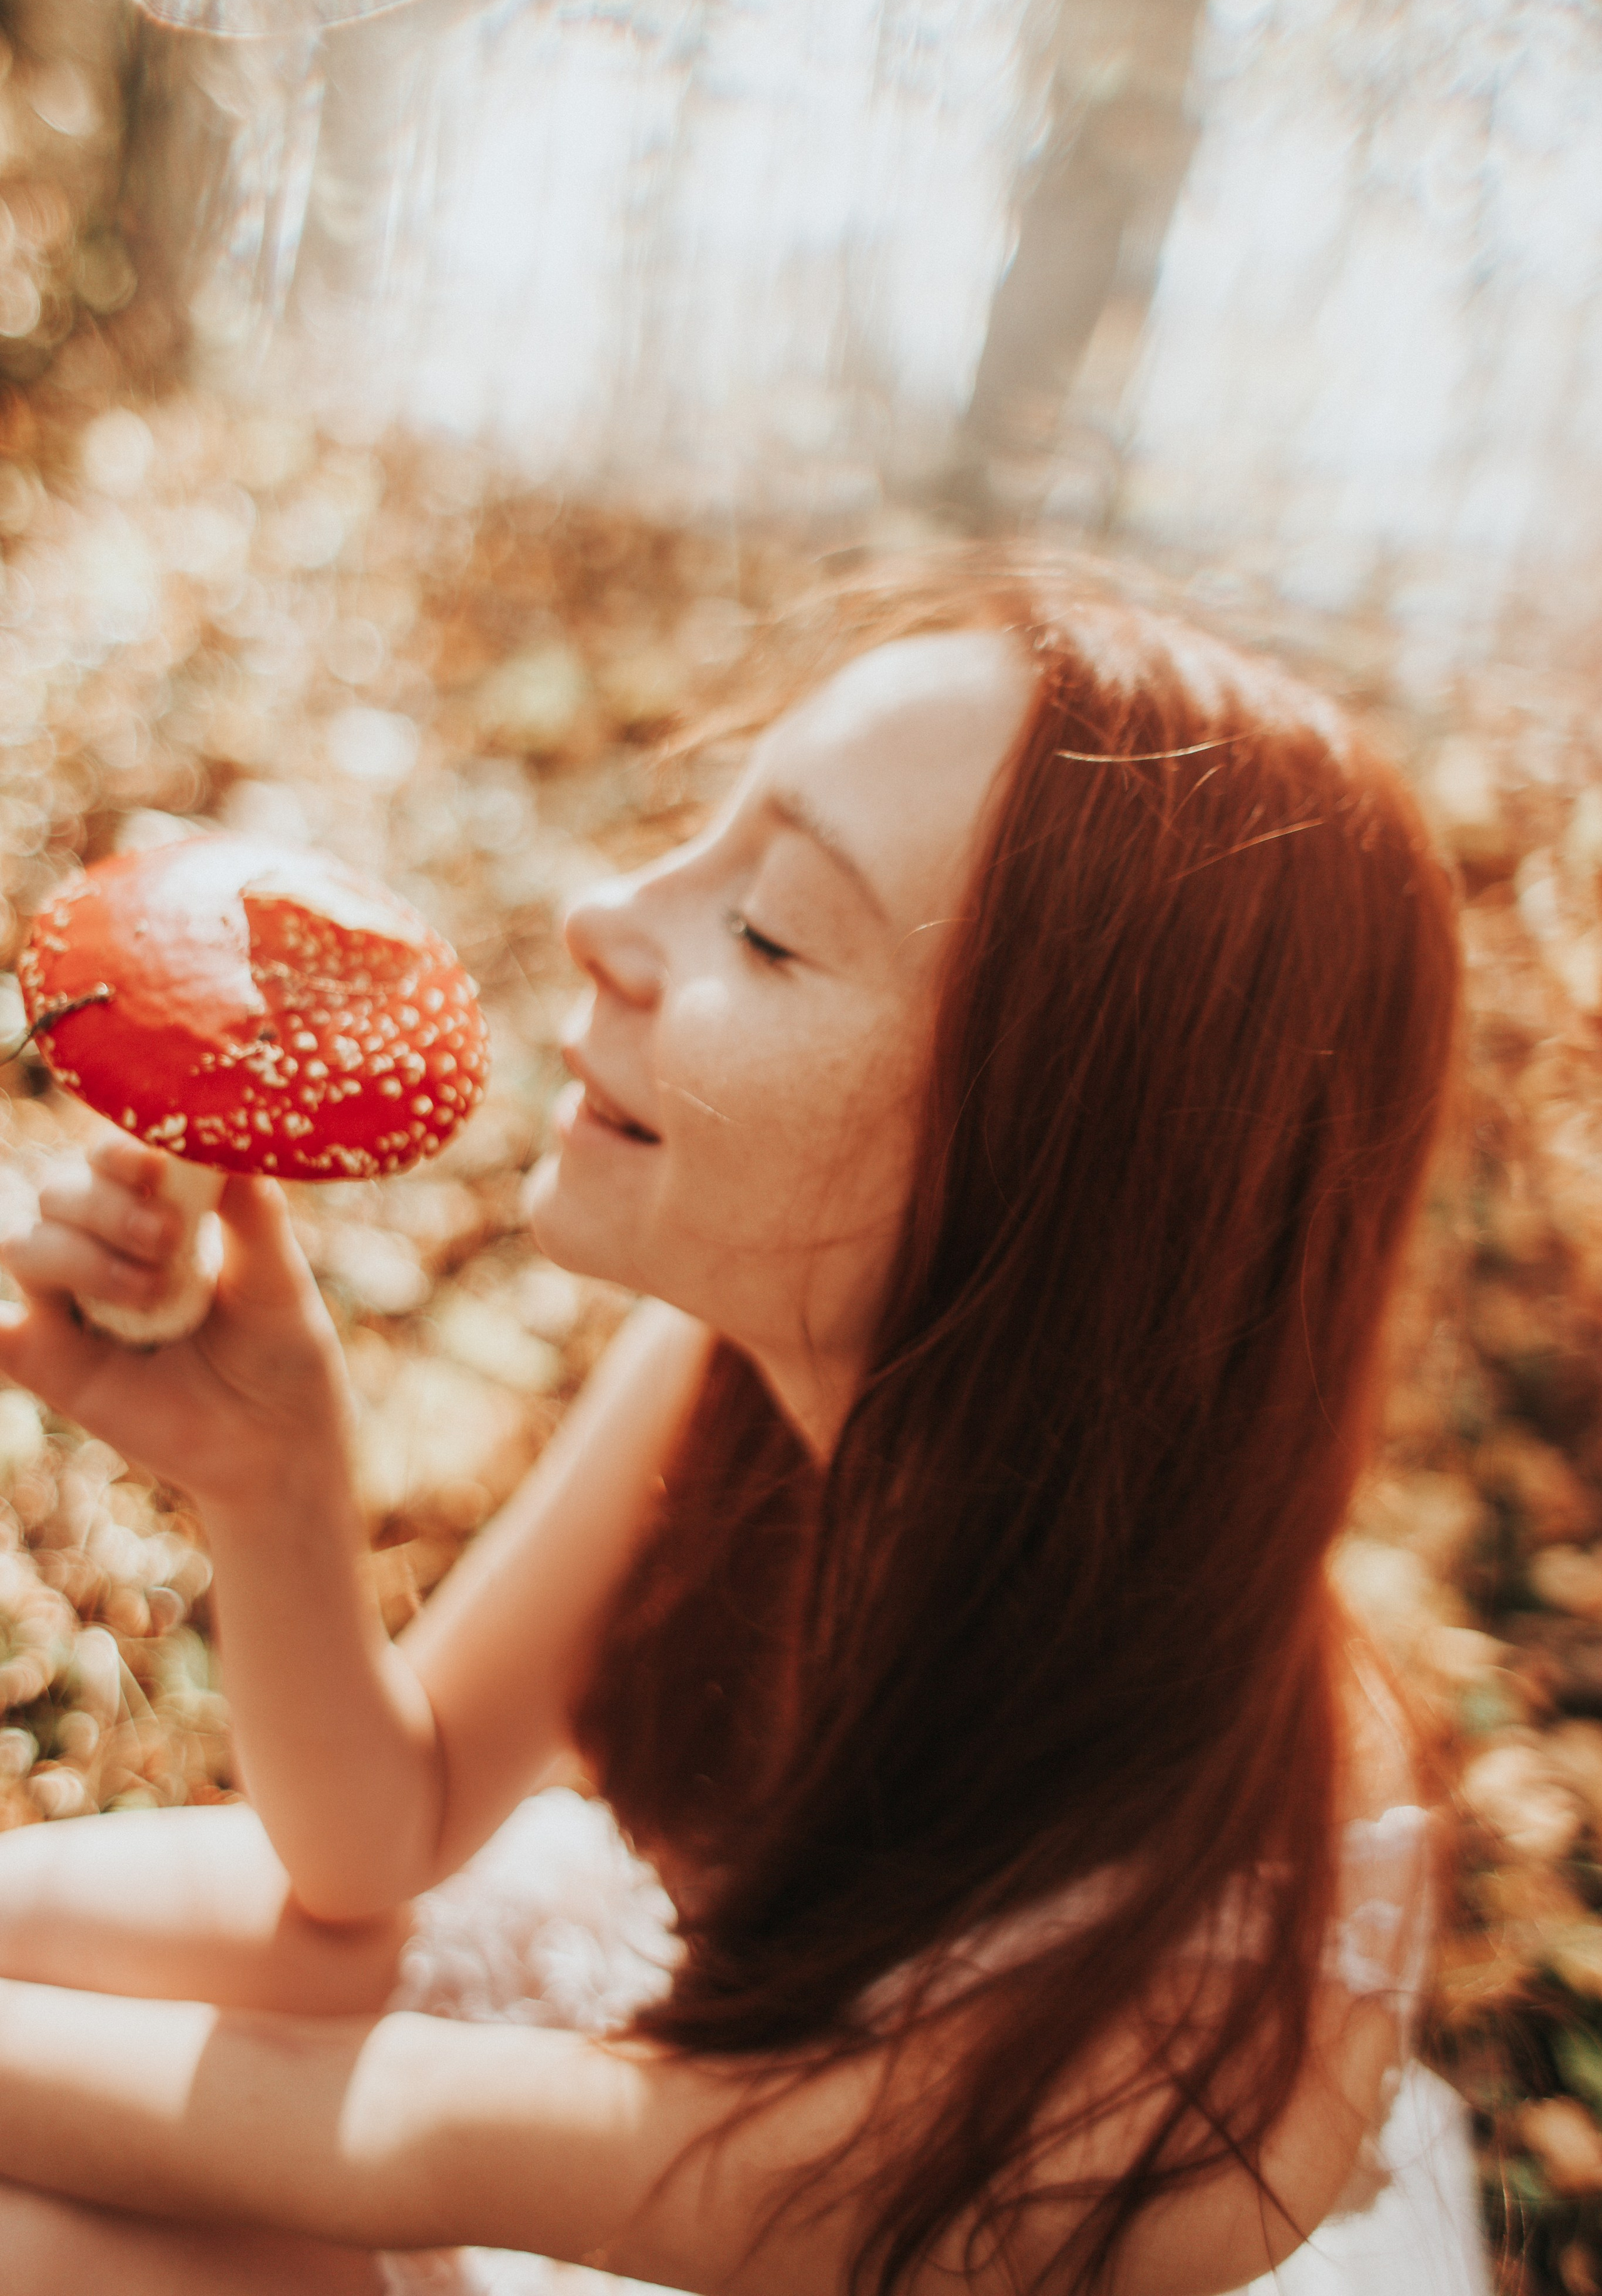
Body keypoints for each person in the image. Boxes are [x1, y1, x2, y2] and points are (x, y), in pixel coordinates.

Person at [0, 578, 1489, 2296]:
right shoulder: (724, 1364)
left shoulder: (1233, 1969)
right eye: (702, 839)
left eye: (772, 928)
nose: (600, 913)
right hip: (638, 2051)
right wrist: (274, 1477)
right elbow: (380, 1836)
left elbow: (440, 2138)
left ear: (1061, 1180)